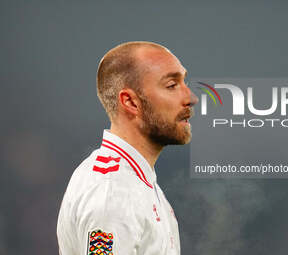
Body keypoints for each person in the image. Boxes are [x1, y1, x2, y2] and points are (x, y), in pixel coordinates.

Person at [56, 41, 198, 255]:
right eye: (171, 85)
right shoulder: (112, 192)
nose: (190, 98)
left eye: (184, 82)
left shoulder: (135, 181)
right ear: (131, 102)